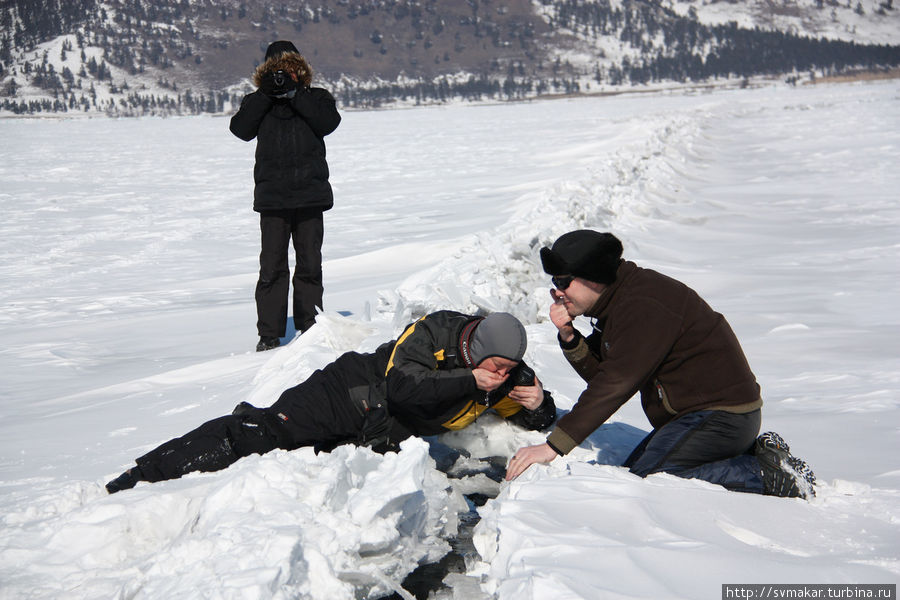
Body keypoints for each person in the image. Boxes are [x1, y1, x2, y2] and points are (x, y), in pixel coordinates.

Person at [505, 230, 816, 499]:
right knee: (634, 471)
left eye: (563, 280)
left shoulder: (643, 306)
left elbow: (615, 383)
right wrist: (570, 337)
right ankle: (753, 455)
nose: (556, 290)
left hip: (721, 417)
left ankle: (766, 473)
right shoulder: (619, 302)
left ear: (593, 276)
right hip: (697, 418)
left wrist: (553, 447)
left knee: (653, 480)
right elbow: (605, 374)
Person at [106, 311, 557, 493]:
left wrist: (537, 402)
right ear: (476, 351)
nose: (500, 377)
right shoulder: (433, 332)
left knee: (312, 476)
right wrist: (468, 381)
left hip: (384, 431)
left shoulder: (506, 378)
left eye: (507, 369)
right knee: (265, 434)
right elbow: (403, 387)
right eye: (494, 366)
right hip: (348, 392)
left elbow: (540, 416)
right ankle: (143, 476)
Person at [230, 40, 342, 352]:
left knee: (309, 265)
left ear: (299, 70)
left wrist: (297, 94)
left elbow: (328, 123)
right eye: (275, 71)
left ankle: (309, 327)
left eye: (288, 70)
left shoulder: (316, 98)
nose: (282, 75)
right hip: (273, 200)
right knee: (271, 268)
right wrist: (266, 94)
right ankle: (269, 335)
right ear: (265, 72)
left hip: (310, 196)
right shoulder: (258, 101)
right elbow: (240, 129)